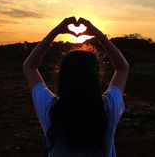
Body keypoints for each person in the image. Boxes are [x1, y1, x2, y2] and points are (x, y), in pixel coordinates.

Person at [23, 17, 129, 157]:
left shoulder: (51, 109)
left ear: (61, 77)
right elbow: (122, 68)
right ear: (96, 78)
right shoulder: (108, 108)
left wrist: (55, 32)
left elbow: (29, 67)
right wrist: (99, 35)